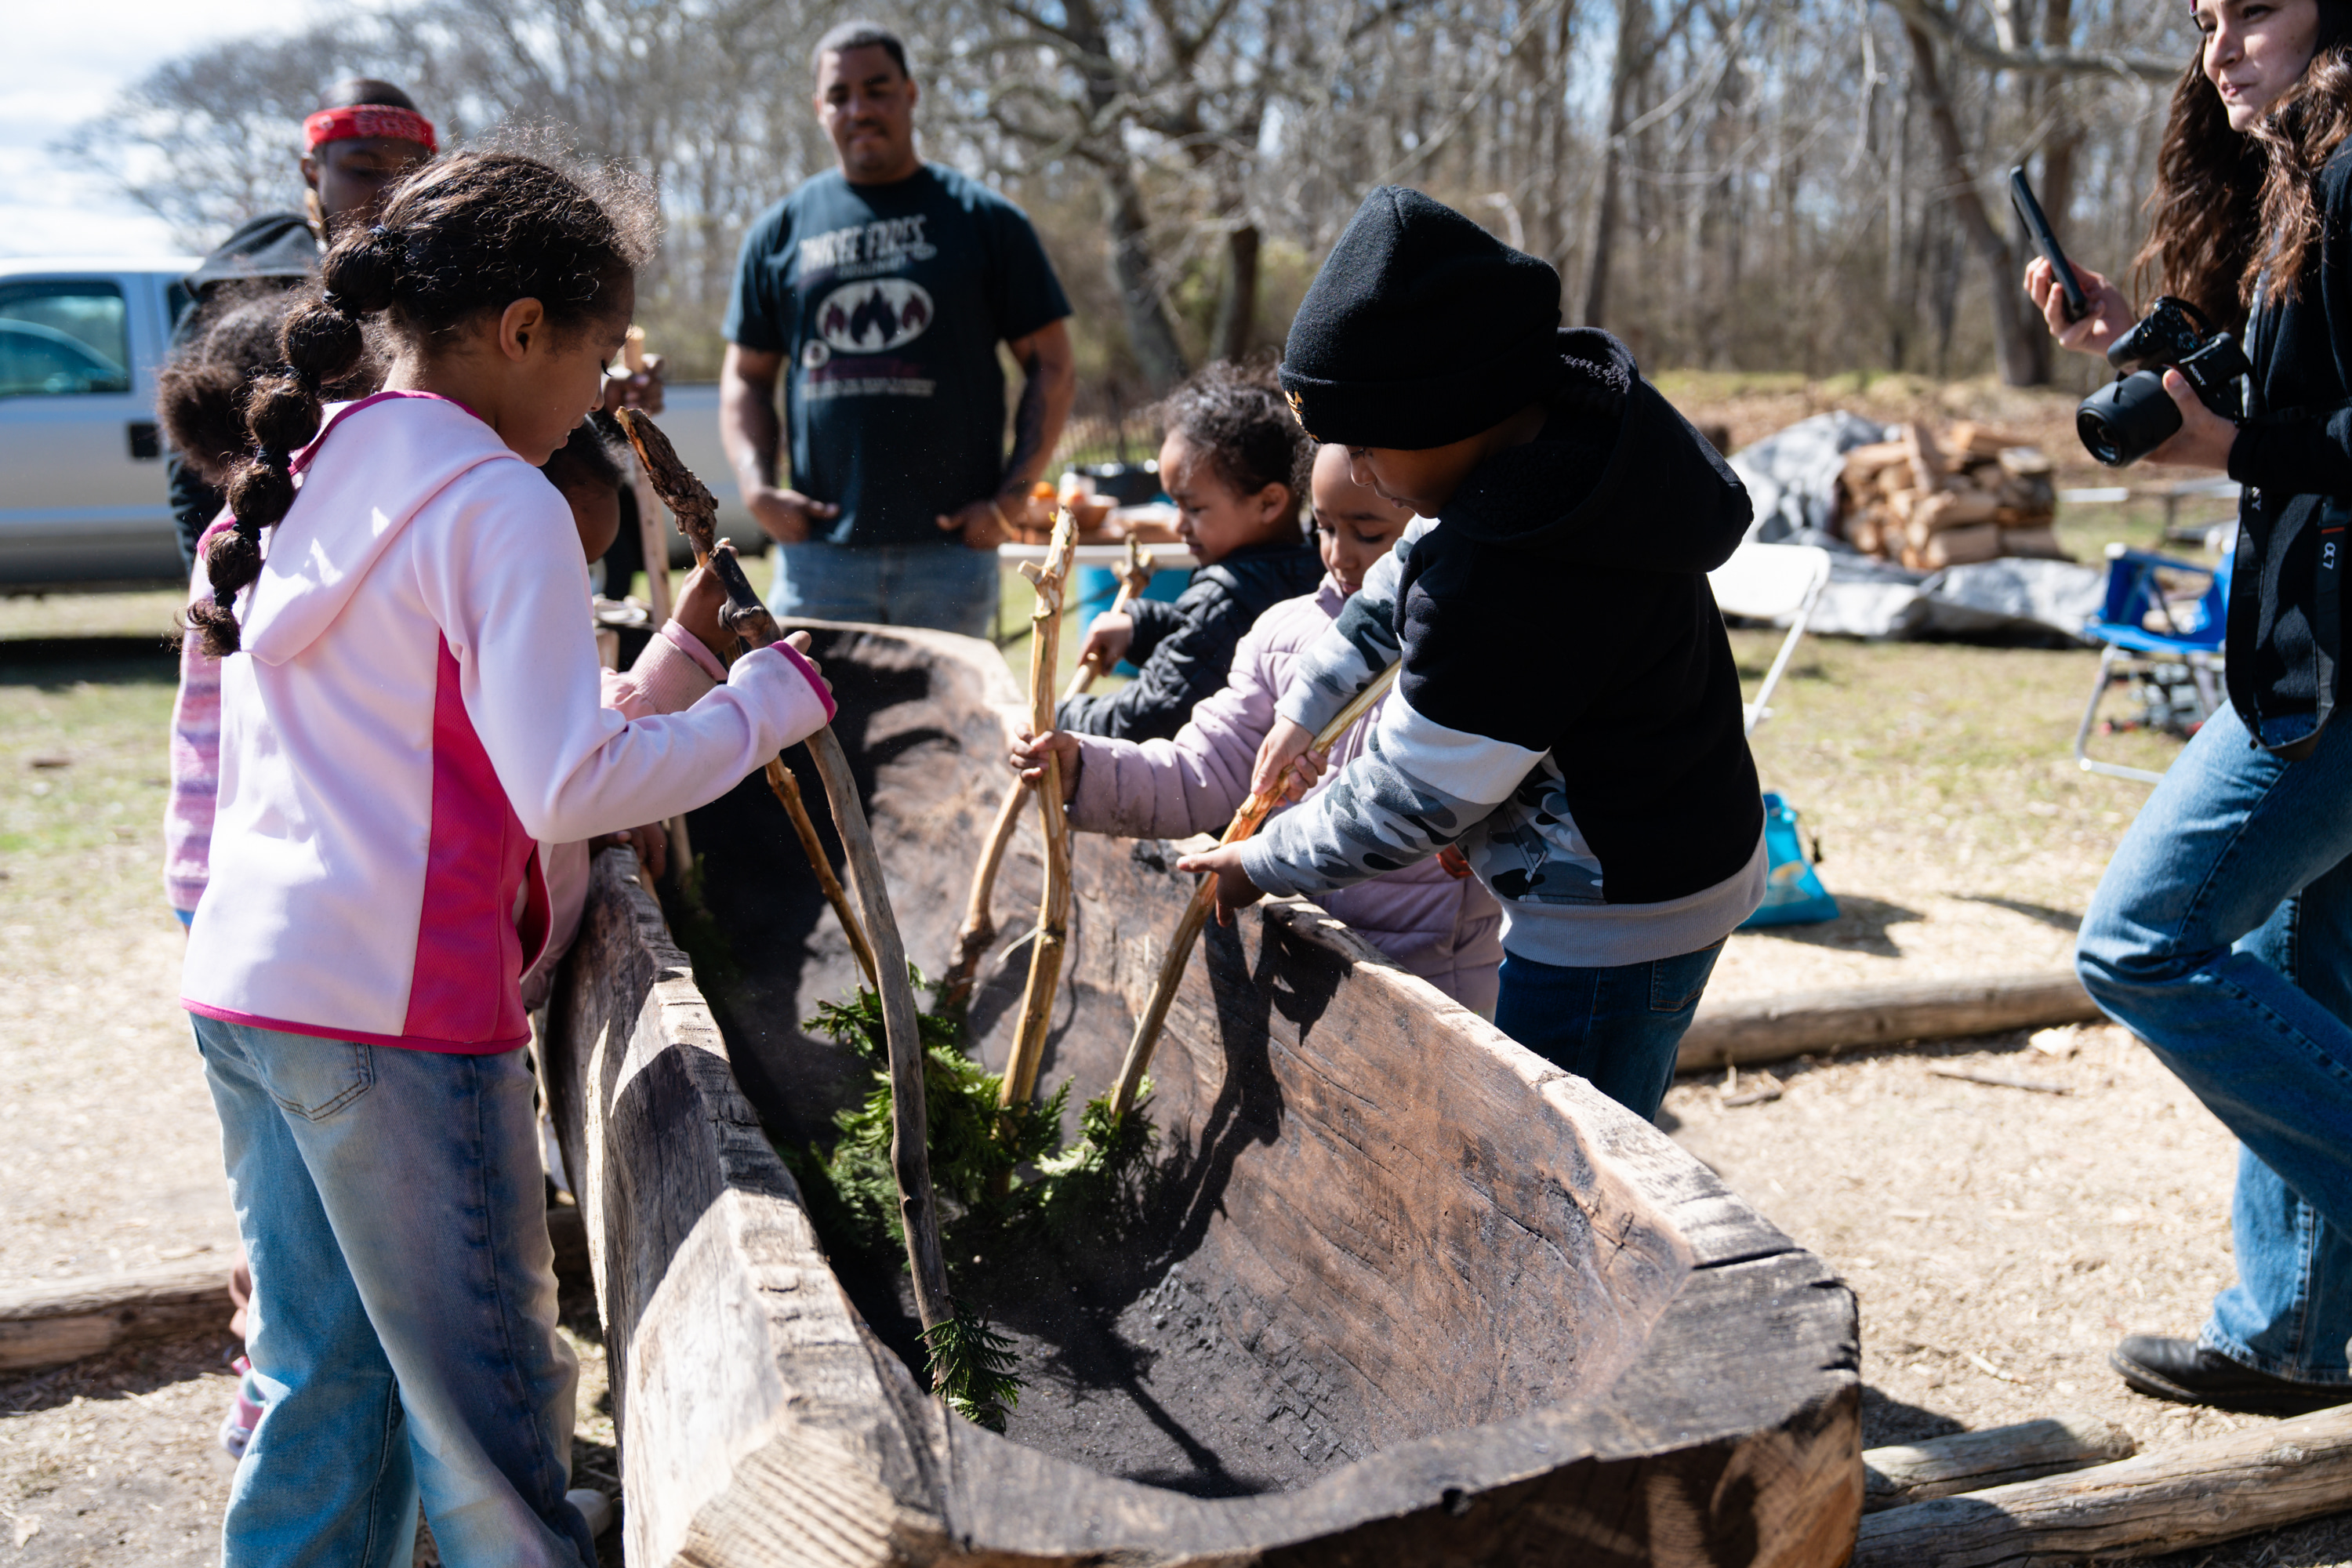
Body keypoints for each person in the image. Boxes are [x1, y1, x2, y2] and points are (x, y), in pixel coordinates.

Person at [180, 150, 836, 1566]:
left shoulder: (308, 462)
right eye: (598, 356)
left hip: (247, 986)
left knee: (321, 1374)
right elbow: (564, 785)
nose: (598, 397)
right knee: (484, 1407)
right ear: (527, 327)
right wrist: (763, 711)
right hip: (393, 1012)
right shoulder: (500, 503)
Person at [1178, 186, 1762, 1124]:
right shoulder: (1560, 452)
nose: (1357, 470)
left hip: (1614, 918)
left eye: (1365, 444)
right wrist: (1308, 708)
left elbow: (1409, 795)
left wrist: (1263, 858)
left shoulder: (1514, 575)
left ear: (1450, 407)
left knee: (1561, 1153)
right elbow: (1400, 579)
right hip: (1665, 846)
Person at [2029, 0, 2352, 1417]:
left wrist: (2252, 445)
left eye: (2258, 11)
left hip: (2339, 657)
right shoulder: (2304, 173)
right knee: (2309, 963)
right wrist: (2138, 340)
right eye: (2207, 16)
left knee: (2143, 942)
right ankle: (2289, 1336)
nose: (2223, 46)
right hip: (2307, 636)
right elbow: (2288, 376)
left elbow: (2303, 425)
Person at [1012, 444, 1504, 1008]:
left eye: (1367, 534)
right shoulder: (1280, 636)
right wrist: (1087, 770)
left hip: (1431, 976)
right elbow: (1210, 765)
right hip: (1297, 957)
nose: (1339, 555)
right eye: (1323, 528)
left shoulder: (1460, 650)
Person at [718, 19, 1076, 637]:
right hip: (819, 554)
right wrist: (755, 488)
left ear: (911, 94)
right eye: (839, 96)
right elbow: (745, 377)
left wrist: (1012, 500)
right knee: (811, 729)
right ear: (818, 109)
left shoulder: (985, 222)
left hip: (949, 557)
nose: (858, 109)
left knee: (946, 734)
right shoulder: (779, 234)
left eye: (877, 89)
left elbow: (1053, 364)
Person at [167, 79, 437, 571]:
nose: (391, 194)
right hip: (274, 565)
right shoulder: (247, 278)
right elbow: (194, 468)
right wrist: (218, 584)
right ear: (312, 171)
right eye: (363, 171)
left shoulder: (447, 281)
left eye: (413, 175)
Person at [1055, 361, 1323, 742]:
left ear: (1268, 503)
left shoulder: (1226, 598)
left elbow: (1150, 717)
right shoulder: (1311, 567)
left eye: (1193, 508)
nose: (1178, 525)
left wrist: (1054, 717)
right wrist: (1143, 626)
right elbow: (1210, 645)